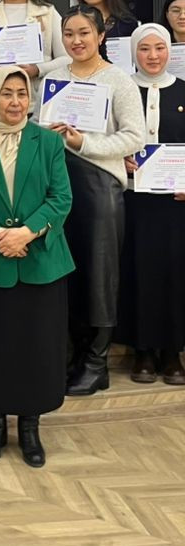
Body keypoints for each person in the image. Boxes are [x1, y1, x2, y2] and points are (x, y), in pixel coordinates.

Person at [0, 67, 74, 468]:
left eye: (22, 93)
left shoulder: (49, 141)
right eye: (6, 93)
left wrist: (26, 232)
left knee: (35, 348)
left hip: (40, 261)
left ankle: (29, 428)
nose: (15, 102)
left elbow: (61, 198)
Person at [35, 5, 145, 396]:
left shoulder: (118, 80)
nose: (76, 41)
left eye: (84, 33)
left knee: (100, 276)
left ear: (100, 35)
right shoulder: (55, 78)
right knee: (68, 273)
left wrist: (85, 142)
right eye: (69, 34)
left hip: (100, 188)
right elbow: (37, 126)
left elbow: (134, 136)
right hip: (58, 185)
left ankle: (97, 363)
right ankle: (74, 356)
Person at [117, 24, 185, 385]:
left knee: (175, 273)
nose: (153, 56)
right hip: (134, 199)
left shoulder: (184, 89)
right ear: (134, 52)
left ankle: (173, 353)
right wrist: (120, 158)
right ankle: (142, 351)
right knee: (138, 271)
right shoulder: (122, 89)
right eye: (144, 49)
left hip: (176, 202)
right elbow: (109, 136)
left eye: (160, 48)